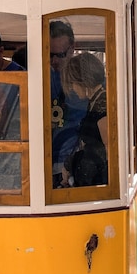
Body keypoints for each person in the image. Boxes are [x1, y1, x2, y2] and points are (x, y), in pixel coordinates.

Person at [48, 20, 88, 188]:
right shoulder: (39, 78)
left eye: (61, 55)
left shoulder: (86, 79)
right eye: (50, 54)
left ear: (72, 48)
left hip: (74, 165)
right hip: (43, 164)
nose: (55, 61)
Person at [61, 53, 108, 187]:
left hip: (98, 182)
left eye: (72, 83)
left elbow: (108, 149)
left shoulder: (101, 105)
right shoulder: (95, 101)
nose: (72, 88)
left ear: (83, 81)